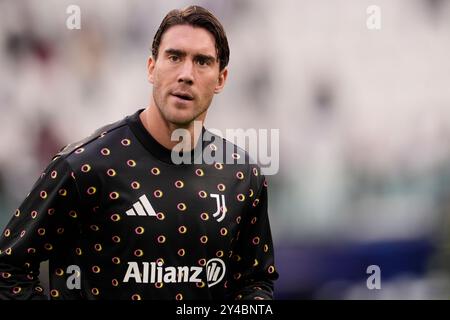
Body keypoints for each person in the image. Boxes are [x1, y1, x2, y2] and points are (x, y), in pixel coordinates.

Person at [0, 5, 278, 300]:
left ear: (221, 79)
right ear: (151, 68)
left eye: (202, 62)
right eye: (174, 57)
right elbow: (8, 270)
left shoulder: (240, 175)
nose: (186, 74)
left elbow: (255, 281)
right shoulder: (84, 166)